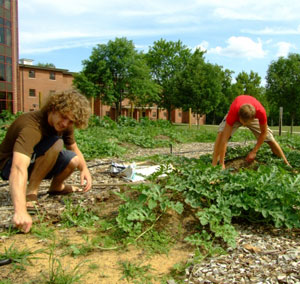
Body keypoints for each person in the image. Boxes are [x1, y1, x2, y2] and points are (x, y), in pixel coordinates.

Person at [0, 91, 92, 233]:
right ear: (53, 108)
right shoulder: (31, 126)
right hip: (8, 165)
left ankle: (56, 187)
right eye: (63, 117)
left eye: (71, 121)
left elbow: (73, 147)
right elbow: (18, 167)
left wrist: (84, 169)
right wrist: (20, 210)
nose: (65, 124)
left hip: (37, 160)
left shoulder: (65, 124)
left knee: (73, 159)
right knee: (56, 143)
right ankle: (31, 193)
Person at [212, 95, 290, 169]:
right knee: (221, 134)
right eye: (243, 122)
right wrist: (222, 163)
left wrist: (254, 151)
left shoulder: (261, 113)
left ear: (254, 117)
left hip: (251, 114)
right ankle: (214, 165)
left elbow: (264, 133)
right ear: (239, 117)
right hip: (236, 112)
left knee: (270, 138)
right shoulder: (233, 113)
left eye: (247, 123)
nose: (244, 125)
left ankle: (286, 164)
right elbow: (224, 139)